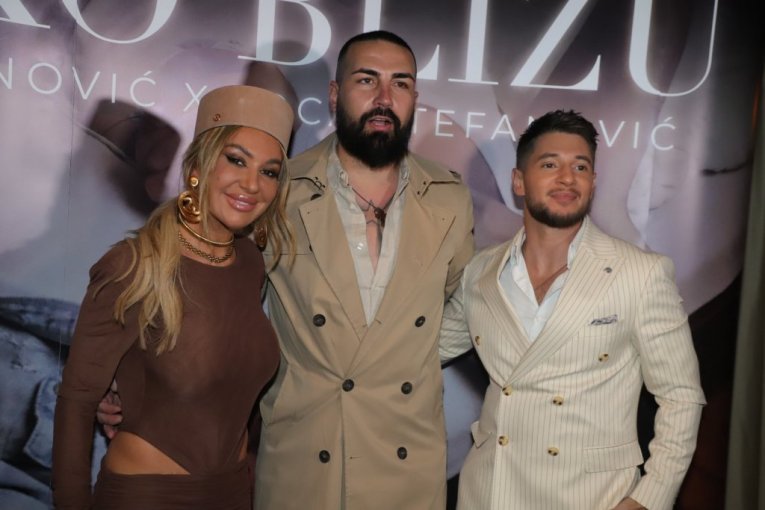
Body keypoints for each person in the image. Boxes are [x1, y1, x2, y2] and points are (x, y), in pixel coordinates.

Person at [439, 110, 705, 510]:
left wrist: (648, 498)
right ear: (518, 181)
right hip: (491, 491)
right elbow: (426, 349)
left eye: (580, 167)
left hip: (593, 497)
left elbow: (681, 396)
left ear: (593, 183)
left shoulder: (641, 273)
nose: (567, 178)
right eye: (550, 165)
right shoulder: (481, 272)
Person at [255, 31, 474, 509]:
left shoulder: (450, 199)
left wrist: (404, 355)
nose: (384, 98)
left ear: (414, 98)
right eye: (367, 80)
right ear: (335, 95)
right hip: (304, 456)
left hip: (405, 458)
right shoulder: (279, 190)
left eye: (401, 84)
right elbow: (230, 309)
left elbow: (465, 304)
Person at [52, 85, 295, 510]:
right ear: (198, 165)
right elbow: (77, 401)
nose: (252, 184)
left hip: (234, 493)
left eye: (269, 172)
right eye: (236, 160)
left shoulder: (249, 262)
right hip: (149, 497)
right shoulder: (134, 264)